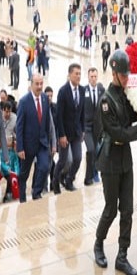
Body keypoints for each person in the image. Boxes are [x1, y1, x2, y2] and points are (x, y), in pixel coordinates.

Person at [93, 50, 137, 275]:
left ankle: (122, 256)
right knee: (111, 209)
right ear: (114, 73)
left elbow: (132, 114)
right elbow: (117, 132)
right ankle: (98, 244)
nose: (127, 79)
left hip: (125, 159)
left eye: (128, 75)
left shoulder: (125, 95)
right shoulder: (106, 100)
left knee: (127, 210)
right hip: (110, 160)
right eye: (123, 75)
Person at [15, 73, 57, 202]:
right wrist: (20, 147)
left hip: (42, 142)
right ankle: (22, 197)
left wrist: (51, 143)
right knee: (24, 173)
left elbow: (47, 123)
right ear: (31, 84)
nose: (39, 87)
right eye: (37, 84)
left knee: (45, 167)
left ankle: (36, 192)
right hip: (28, 145)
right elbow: (19, 126)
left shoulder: (45, 99)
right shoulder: (23, 102)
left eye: (41, 84)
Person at [52, 64, 85, 194]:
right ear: (70, 74)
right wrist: (61, 135)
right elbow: (59, 115)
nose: (78, 76)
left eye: (79, 74)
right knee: (63, 160)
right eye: (76, 73)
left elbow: (82, 112)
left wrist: (82, 129)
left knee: (77, 158)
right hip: (65, 132)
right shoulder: (63, 91)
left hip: (77, 132)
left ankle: (69, 179)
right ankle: (55, 180)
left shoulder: (82, 90)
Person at [83, 67, 105, 185]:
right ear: (88, 77)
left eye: (95, 76)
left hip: (98, 127)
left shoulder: (102, 90)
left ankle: (95, 173)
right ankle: (88, 177)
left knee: (98, 151)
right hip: (87, 127)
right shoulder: (83, 91)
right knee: (91, 150)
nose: (93, 79)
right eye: (91, 76)